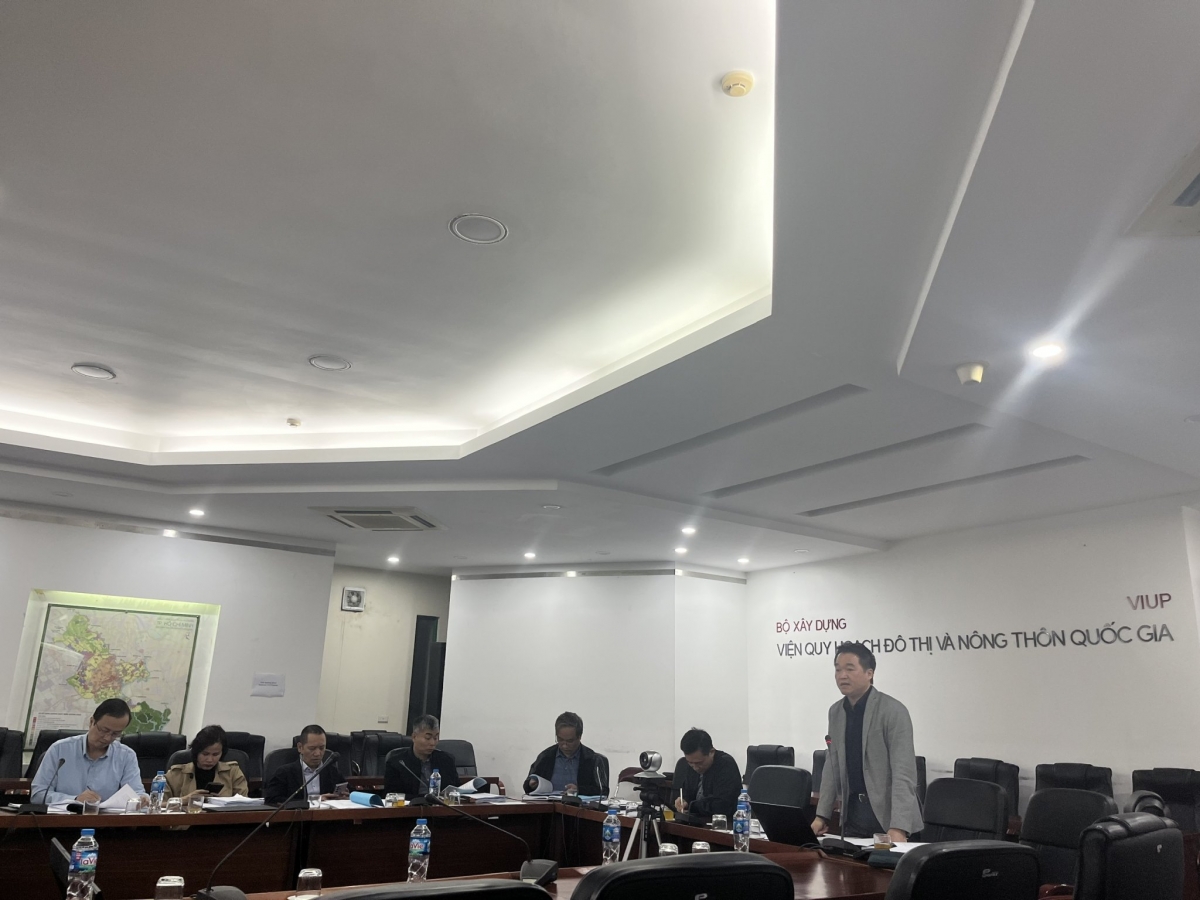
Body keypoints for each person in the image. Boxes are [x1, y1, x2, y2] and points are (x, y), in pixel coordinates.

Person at [813, 641, 923, 842]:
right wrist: (822, 816)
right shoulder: (836, 712)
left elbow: (904, 773)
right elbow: (832, 766)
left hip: (888, 818)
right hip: (854, 815)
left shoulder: (893, 711)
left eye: (849, 669)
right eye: (838, 669)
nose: (842, 675)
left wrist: (899, 827)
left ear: (869, 673)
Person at [31, 698, 149, 807]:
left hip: (106, 821)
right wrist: (75, 799)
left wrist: (142, 799)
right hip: (62, 820)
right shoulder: (59, 750)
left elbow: (136, 792)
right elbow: (38, 795)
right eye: (104, 730)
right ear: (92, 721)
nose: (107, 738)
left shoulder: (126, 756)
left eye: (115, 734)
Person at [525, 711, 608, 796]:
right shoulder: (545, 757)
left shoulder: (592, 760)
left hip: (578, 804)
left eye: (570, 741)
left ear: (579, 737)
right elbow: (528, 785)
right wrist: (531, 784)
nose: (564, 745)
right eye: (560, 739)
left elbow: (603, 791)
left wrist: (579, 790)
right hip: (548, 803)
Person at [671, 727, 742, 821]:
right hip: (695, 821)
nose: (695, 767)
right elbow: (687, 793)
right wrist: (683, 801)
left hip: (722, 823)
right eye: (690, 763)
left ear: (711, 752)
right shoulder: (690, 765)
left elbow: (722, 806)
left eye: (699, 763)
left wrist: (692, 805)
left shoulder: (726, 765)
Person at [384, 714, 460, 798]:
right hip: (410, 805)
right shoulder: (397, 762)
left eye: (435, 738)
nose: (432, 743)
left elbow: (455, 790)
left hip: (441, 805)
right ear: (414, 737)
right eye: (427, 738)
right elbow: (391, 795)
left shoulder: (447, 760)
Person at [165, 724, 248, 799]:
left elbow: (244, 803)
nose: (210, 760)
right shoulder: (176, 774)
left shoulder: (233, 772)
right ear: (196, 752)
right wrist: (185, 800)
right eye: (205, 754)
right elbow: (160, 804)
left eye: (215, 754)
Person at [264, 724, 341, 805]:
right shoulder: (284, 773)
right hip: (297, 812)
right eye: (312, 748)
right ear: (300, 747)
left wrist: (345, 796)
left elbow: (347, 792)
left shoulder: (332, 771)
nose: (318, 753)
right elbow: (271, 799)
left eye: (322, 748)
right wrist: (314, 800)